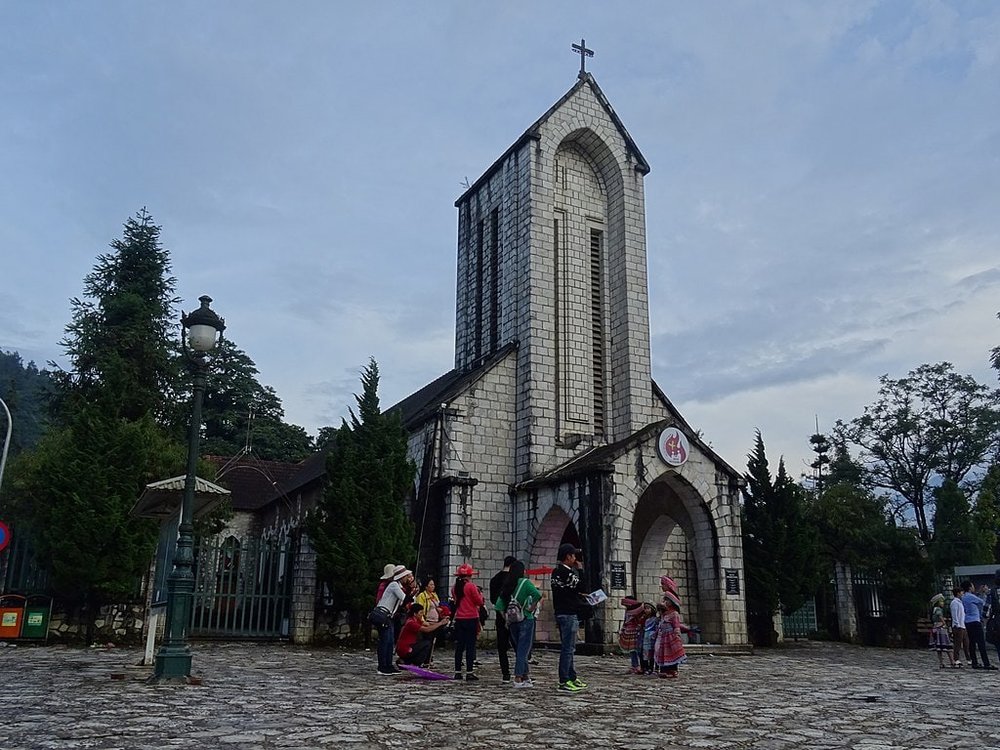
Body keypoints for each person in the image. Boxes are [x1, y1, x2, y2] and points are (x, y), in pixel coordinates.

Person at [496, 560, 542, 688]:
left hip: (513, 622)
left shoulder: (508, 584)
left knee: (519, 650)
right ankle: (518, 678)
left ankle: (526, 677)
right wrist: (531, 608)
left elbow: (499, 606)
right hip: (526, 619)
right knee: (523, 650)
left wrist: (507, 618)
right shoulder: (525, 583)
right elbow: (537, 594)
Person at [551, 543, 588, 692]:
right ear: (568, 556)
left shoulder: (555, 572)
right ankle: (564, 679)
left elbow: (567, 591)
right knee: (568, 648)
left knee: (569, 647)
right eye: (573, 555)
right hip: (569, 613)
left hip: (560, 611)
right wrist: (580, 570)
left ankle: (572, 676)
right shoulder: (568, 573)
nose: (575, 558)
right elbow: (582, 586)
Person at [372, 565, 413, 675]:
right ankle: (382, 666)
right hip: (383, 615)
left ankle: (388, 665)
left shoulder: (398, 586)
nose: (407, 578)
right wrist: (411, 593)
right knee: (385, 642)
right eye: (406, 576)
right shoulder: (394, 585)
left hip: (388, 616)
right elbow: (404, 599)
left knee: (390, 642)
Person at [452, 562, 485, 681]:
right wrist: (480, 595)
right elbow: (479, 601)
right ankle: (469, 672)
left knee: (459, 646)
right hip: (471, 618)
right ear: (469, 575)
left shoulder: (455, 588)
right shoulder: (471, 586)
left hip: (459, 618)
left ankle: (457, 672)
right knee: (470, 646)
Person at [490, 556, 517, 683]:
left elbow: (492, 600)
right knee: (518, 646)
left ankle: (505, 674)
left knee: (502, 647)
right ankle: (521, 672)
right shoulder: (513, 579)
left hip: (499, 615)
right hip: (514, 615)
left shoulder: (494, 579)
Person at [396, 603, 450, 667]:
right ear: (415, 614)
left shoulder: (416, 620)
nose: (422, 614)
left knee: (425, 642)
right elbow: (427, 629)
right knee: (426, 644)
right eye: (421, 613)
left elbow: (428, 624)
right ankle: (415, 663)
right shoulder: (411, 622)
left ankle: (408, 661)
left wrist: (442, 622)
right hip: (405, 648)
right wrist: (440, 623)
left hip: (410, 645)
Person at [961, 580, 995, 669]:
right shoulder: (971, 596)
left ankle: (974, 662)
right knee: (981, 643)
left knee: (972, 643)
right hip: (975, 621)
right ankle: (986, 663)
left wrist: (979, 592)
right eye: (972, 586)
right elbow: (982, 602)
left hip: (967, 621)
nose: (974, 587)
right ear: (969, 587)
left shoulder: (964, 597)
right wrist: (985, 592)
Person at [654, 593, 690, 678]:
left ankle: (673, 670)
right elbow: (660, 624)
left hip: (671, 636)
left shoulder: (674, 613)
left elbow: (676, 625)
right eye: (664, 600)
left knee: (672, 652)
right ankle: (664, 669)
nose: (665, 601)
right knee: (663, 652)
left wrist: (677, 635)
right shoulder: (664, 614)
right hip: (663, 636)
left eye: (667, 600)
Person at [617, 598, 650, 674]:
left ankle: (640, 666)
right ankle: (634, 665)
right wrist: (622, 629)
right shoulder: (628, 611)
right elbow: (625, 621)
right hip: (628, 632)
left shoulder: (638, 611)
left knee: (637, 650)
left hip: (635, 632)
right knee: (632, 650)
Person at [928, 593, 956, 668]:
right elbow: (940, 616)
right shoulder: (938, 609)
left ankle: (941, 662)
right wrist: (944, 623)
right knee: (948, 645)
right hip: (941, 629)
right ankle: (952, 661)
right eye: (941, 601)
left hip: (935, 628)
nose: (943, 603)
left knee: (939, 647)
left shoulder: (933, 610)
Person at [950, 586, 968, 667]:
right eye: (961, 592)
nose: (962, 594)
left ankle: (968, 658)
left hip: (962, 625)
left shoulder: (960, 602)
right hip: (958, 626)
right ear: (958, 593)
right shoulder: (954, 603)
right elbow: (954, 615)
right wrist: (957, 624)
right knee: (958, 643)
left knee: (966, 642)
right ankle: (956, 658)